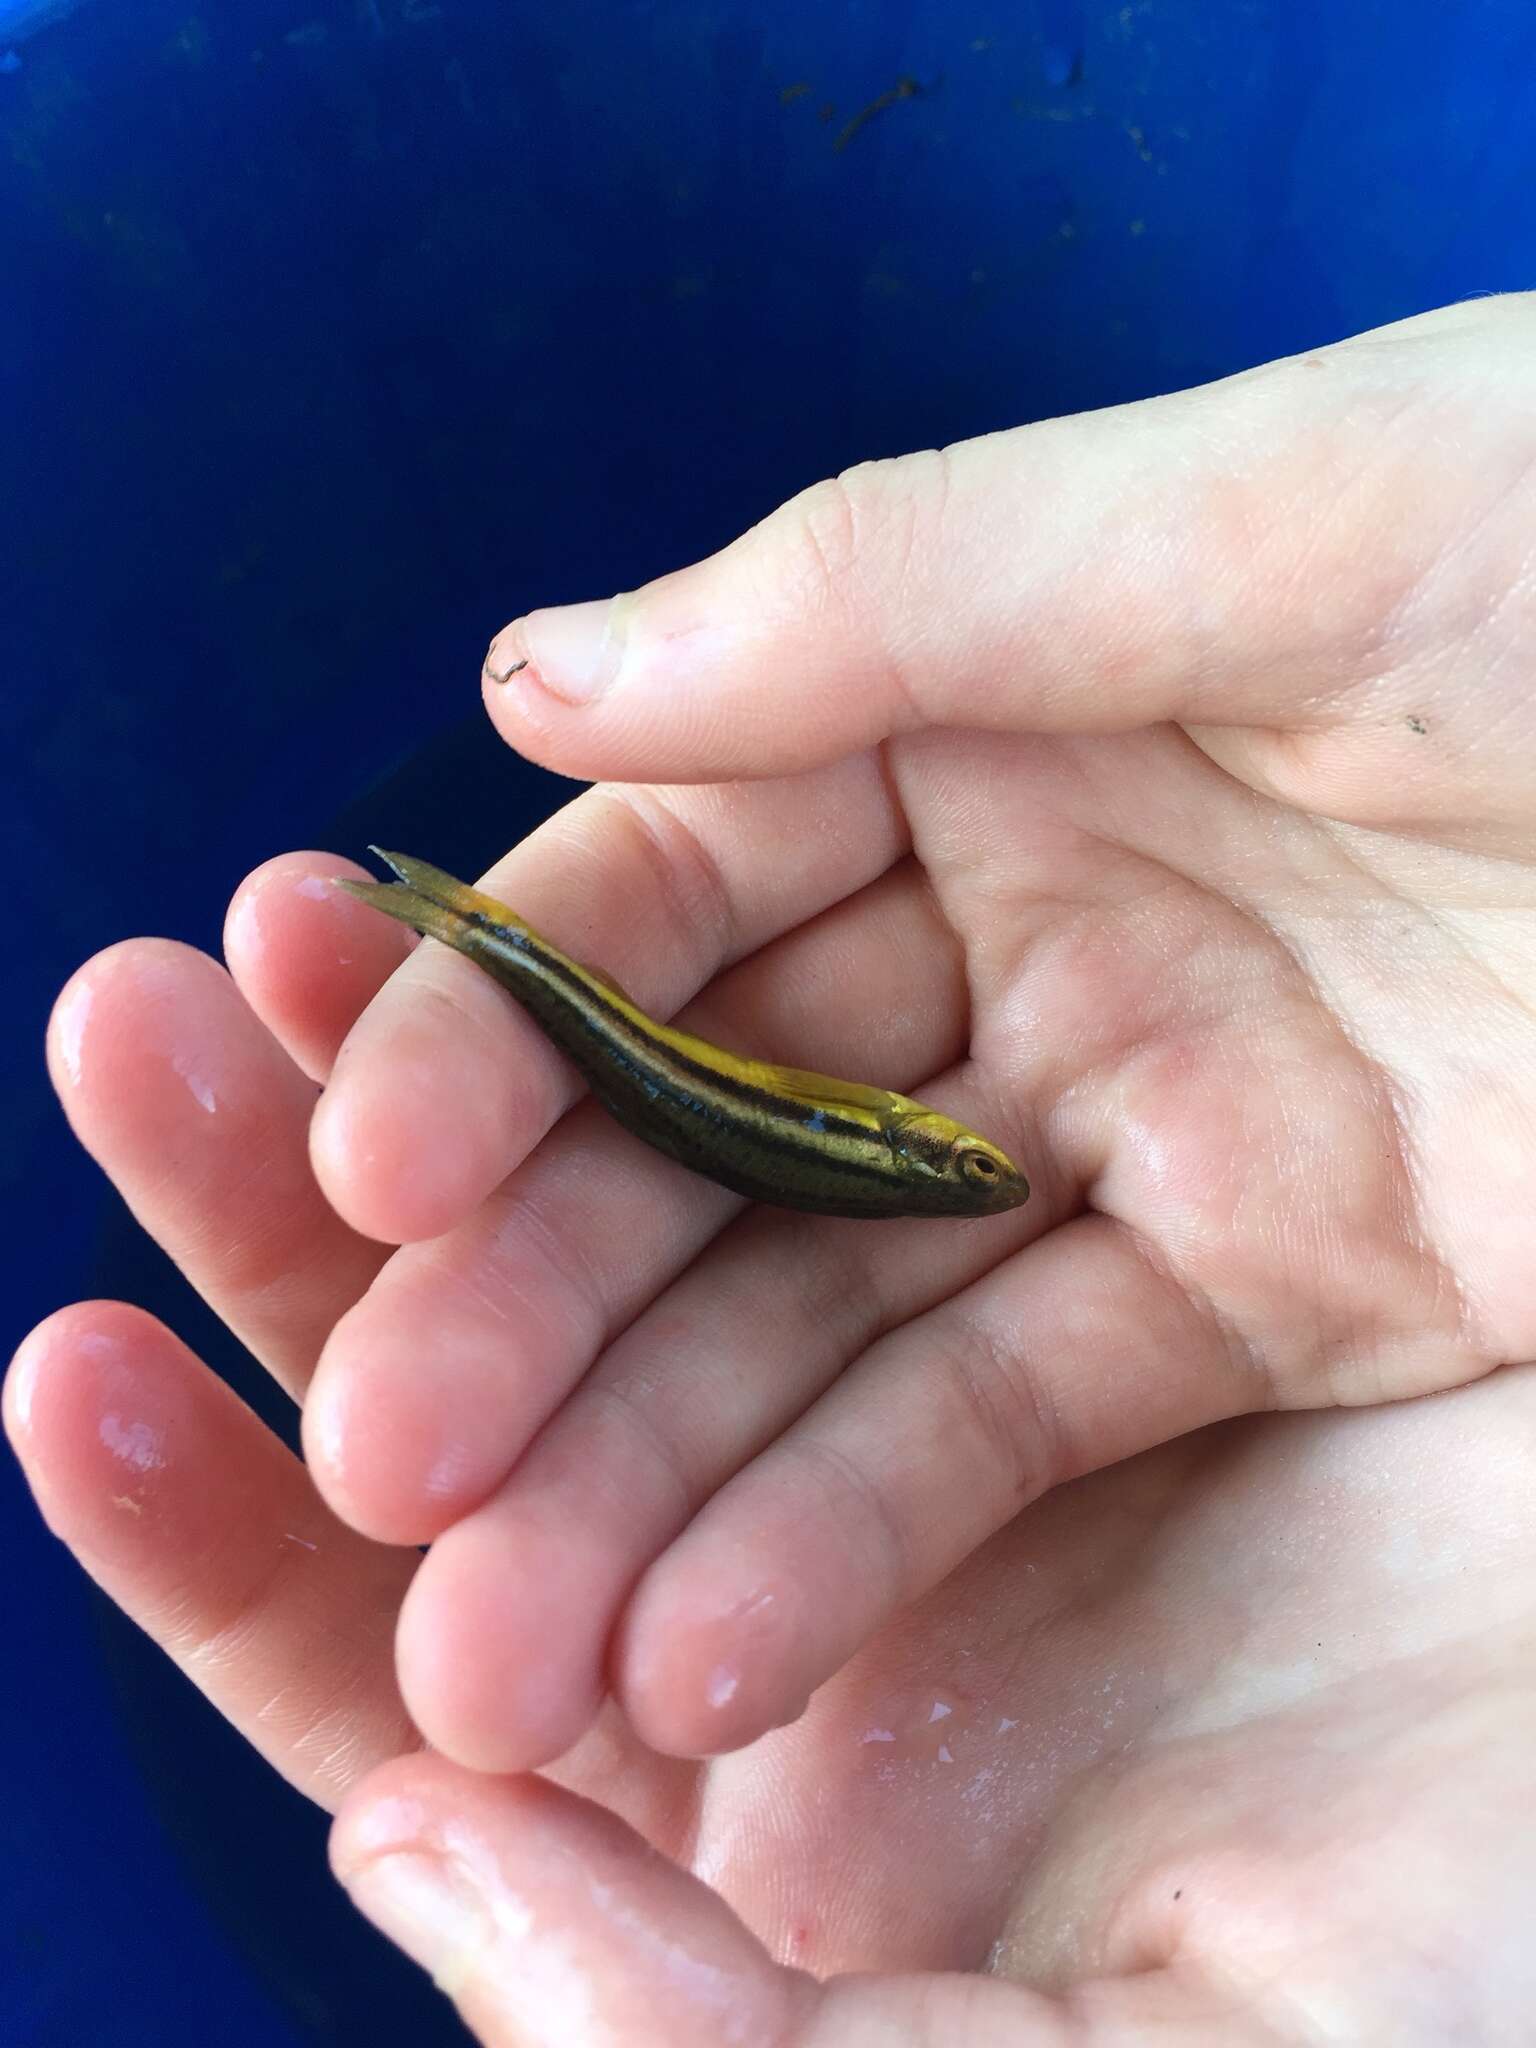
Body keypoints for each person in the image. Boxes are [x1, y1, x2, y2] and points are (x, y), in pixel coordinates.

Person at [8, 295, 1536, 2045]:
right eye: (955, 1162)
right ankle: (458, 930)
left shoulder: (873, 1152)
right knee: (487, 1071)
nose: (969, 1160)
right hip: (659, 1051)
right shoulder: (889, 1150)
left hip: (672, 1064)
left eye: (955, 1166)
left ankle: (459, 927)